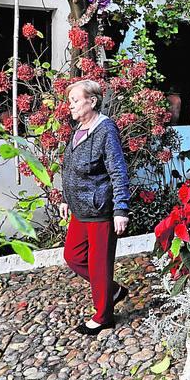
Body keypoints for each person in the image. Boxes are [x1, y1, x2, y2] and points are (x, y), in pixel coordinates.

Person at [59, 79, 130, 336]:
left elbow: (118, 171)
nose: (71, 106)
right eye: (70, 101)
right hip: (80, 209)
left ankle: (103, 317)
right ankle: (112, 290)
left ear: (92, 101)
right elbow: (68, 168)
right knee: (73, 256)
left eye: (75, 100)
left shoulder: (105, 130)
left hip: (100, 210)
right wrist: (65, 198)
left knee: (99, 265)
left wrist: (120, 209)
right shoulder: (78, 130)